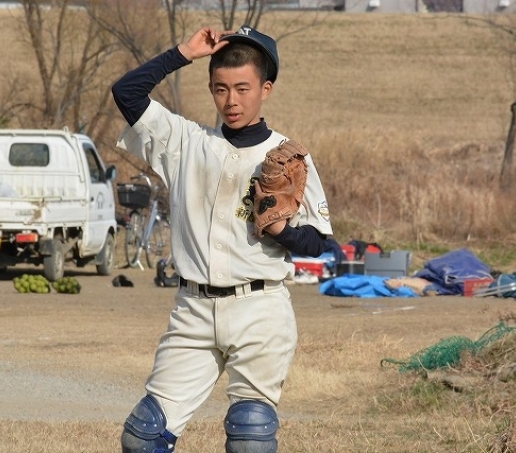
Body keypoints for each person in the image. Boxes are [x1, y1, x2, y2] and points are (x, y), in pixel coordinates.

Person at [112, 25, 334, 453]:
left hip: (260, 310)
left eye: (243, 88)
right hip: (193, 311)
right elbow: (126, 92)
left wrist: (282, 232)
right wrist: (183, 52)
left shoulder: (287, 158)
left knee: (251, 437)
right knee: (143, 437)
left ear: (266, 89)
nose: (231, 101)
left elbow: (318, 243)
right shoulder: (185, 142)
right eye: (221, 88)